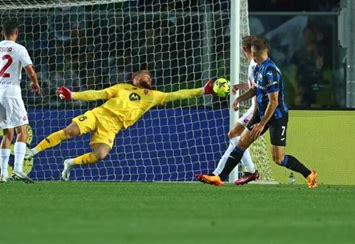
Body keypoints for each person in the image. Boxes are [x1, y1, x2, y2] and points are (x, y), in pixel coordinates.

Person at [26, 71, 216, 181]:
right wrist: (73, 95)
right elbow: (97, 94)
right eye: (145, 75)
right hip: (99, 114)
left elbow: (178, 94)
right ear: (134, 78)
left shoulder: (153, 96)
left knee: (100, 155)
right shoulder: (121, 88)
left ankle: (70, 163)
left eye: (150, 77)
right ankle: (33, 151)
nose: (148, 78)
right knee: (69, 131)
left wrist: (202, 90)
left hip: (113, 127)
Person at [198, 38, 318, 188]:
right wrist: (240, 99)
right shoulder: (259, 68)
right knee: (241, 143)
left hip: (276, 117)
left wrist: (262, 124)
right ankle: (219, 177)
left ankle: (309, 174)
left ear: (253, 53)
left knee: (279, 159)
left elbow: (273, 102)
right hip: (261, 114)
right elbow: (255, 89)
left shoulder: (271, 71)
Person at [0, 20, 41, 183]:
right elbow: (30, 71)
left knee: (7, 133)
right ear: (16, 32)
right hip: (11, 93)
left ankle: (3, 174)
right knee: (22, 131)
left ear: (2, 32)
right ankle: (18, 169)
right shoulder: (19, 49)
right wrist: (35, 83)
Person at [196, 36, 259, 185]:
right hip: (254, 107)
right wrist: (239, 86)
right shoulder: (254, 64)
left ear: (244, 49)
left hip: (257, 108)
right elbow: (253, 86)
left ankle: (226, 173)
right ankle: (228, 173)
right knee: (235, 138)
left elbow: (257, 90)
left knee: (234, 136)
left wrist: (239, 99)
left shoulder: (254, 66)